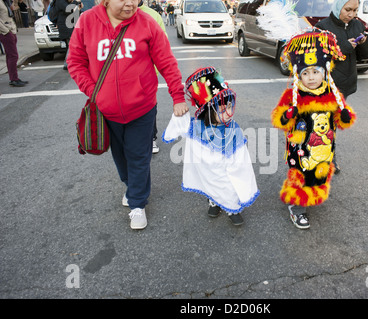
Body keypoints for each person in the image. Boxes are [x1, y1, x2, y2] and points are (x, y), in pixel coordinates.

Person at [67, 0, 189, 230]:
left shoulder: (147, 23)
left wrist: (178, 96)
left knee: (139, 156)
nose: (131, 3)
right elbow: (75, 62)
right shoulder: (86, 22)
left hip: (141, 108)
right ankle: (131, 186)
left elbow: (166, 62)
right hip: (107, 111)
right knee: (120, 156)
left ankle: (137, 204)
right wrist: (95, 92)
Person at [271, 30, 356, 229]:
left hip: (324, 146)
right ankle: (296, 206)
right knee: (300, 172)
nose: (310, 78)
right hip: (301, 147)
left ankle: (314, 193)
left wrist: (344, 116)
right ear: (298, 74)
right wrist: (286, 116)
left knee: (319, 172)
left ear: (324, 71)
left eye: (315, 72)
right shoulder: (293, 94)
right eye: (305, 73)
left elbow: (342, 119)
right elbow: (279, 118)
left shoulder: (331, 93)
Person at [162, 67, 260, 226]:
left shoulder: (233, 129)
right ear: (208, 110)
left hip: (228, 169)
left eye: (229, 107)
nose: (228, 112)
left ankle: (231, 208)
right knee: (210, 183)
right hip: (208, 171)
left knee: (230, 186)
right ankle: (214, 201)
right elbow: (179, 125)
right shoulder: (196, 127)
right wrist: (179, 110)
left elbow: (241, 155)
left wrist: (237, 168)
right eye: (222, 109)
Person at [315, 0, 368, 173]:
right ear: (338, 7)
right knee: (325, 123)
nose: (352, 14)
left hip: (345, 84)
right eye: (348, 10)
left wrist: (363, 43)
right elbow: (316, 58)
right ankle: (326, 158)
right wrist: (344, 47)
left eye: (355, 10)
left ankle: (326, 156)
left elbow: (363, 56)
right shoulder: (323, 27)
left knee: (331, 123)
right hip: (325, 85)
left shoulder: (357, 25)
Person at [138, 0, 167, 154]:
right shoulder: (108, 14)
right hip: (120, 78)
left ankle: (151, 138)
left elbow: (164, 47)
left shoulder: (153, 15)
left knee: (149, 107)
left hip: (147, 75)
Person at [0, 0, 29, 86]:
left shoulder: (5, 2)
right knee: (13, 55)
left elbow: (12, 9)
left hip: (11, 29)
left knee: (10, 55)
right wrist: (6, 31)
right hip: (5, 31)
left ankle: (13, 77)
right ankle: (14, 79)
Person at [54, 0, 83, 70]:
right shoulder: (60, 2)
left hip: (70, 26)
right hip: (65, 26)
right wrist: (76, 2)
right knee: (71, 44)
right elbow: (69, 9)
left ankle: (69, 63)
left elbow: (75, 13)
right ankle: (67, 64)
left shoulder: (68, 2)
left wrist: (78, 6)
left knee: (71, 45)